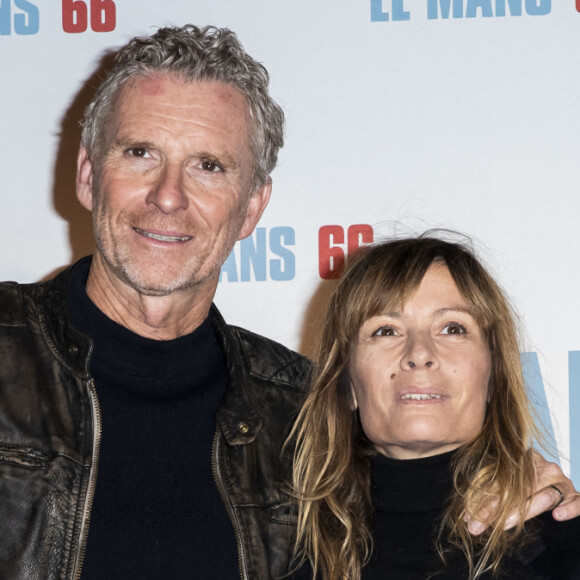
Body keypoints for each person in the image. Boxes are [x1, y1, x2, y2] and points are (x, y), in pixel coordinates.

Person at [0, 25, 577, 580]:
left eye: (209, 166)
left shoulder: (299, 415)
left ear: (252, 207)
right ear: (87, 174)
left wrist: (528, 489)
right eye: (140, 153)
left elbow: (425, 496)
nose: (168, 196)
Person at [290, 235, 580, 580]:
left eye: (452, 328)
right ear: (348, 383)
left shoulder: (564, 546)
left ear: (493, 375)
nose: (419, 353)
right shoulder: (281, 551)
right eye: (385, 330)